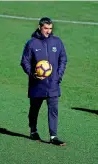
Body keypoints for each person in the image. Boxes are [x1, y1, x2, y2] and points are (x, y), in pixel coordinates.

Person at [20, 17, 67, 146]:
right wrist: (32, 74)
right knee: (34, 109)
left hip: (53, 84)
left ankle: (53, 136)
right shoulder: (32, 43)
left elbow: (63, 59)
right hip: (37, 84)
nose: (48, 31)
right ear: (40, 27)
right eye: (46, 28)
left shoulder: (57, 42)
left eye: (50, 29)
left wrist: (58, 75)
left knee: (53, 110)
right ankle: (33, 131)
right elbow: (24, 62)